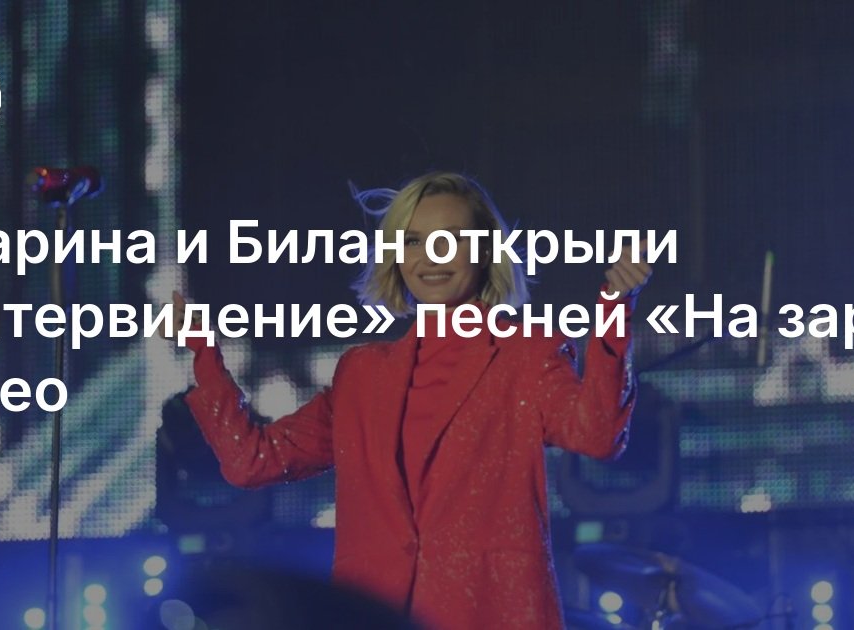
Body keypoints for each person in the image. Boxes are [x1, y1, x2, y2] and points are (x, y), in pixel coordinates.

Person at [174, 171, 652, 629]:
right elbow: (252, 460)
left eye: (451, 238)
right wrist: (202, 353)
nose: (432, 255)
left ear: (486, 250)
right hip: (376, 618)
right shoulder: (362, 373)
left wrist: (615, 307)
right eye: (414, 240)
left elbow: (597, 434)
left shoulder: (526, 353)